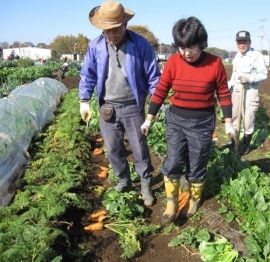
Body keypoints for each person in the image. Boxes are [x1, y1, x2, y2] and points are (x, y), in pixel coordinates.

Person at [140, 16, 235, 223]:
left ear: (201, 43)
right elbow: (161, 90)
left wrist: (228, 123)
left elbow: (224, 94)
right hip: (176, 119)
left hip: (202, 122)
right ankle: (172, 200)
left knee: (197, 163)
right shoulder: (174, 61)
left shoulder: (215, 63)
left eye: (191, 47)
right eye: (182, 47)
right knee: (173, 161)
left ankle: (194, 198)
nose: (186, 53)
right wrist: (149, 119)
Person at [78, 1, 161, 206]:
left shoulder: (140, 44)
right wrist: (84, 100)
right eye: (107, 31)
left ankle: (145, 184)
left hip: (133, 106)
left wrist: (156, 102)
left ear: (125, 25)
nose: (112, 36)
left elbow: (153, 76)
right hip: (108, 106)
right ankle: (124, 179)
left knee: (139, 148)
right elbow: (87, 74)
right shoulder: (95, 46)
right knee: (113, 148)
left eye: (116, 30)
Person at [227, 31, 268, 155]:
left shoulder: (256, 56)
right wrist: (228, 87)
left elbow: (264, 74)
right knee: (234, 117)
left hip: (250, 92)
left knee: (248, 119)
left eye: (244, 42)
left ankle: (245, 145)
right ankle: (234, 143)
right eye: (239, 42)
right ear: (236, 43)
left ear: (249, 42)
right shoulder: (237, 56)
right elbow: (234, 75)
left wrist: (249, 78)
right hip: (236, 91)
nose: (242, 45)